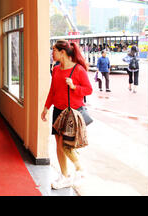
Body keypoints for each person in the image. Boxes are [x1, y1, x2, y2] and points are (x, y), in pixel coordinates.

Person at [41, 40, 93, 189]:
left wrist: (74, 87)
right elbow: (53, 90)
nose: (52, 53)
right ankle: (65, 176)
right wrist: (46, 107)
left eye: (54, 50)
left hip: (71, 112)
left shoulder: (78, 70)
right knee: (58, 145)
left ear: (62, 52)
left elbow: (88, 90)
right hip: (58, 111)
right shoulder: (56, 69)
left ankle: (80, 169)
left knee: (65, 145)